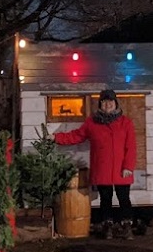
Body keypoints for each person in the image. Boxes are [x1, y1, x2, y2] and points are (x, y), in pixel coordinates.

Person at [54, 89, 136, 238]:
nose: (107, 104)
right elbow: (77, 136)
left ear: (116, 103)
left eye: (110, 101)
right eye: (104, 102)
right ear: (100, 104)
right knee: (105, 199)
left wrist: (128, 167)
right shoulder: (91, 122)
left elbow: (130, 147)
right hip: (102, 168)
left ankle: (127, 226)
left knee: (124, 198)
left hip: (121, 169)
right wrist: (56, 138)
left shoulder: (126, 123)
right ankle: (107, 226)